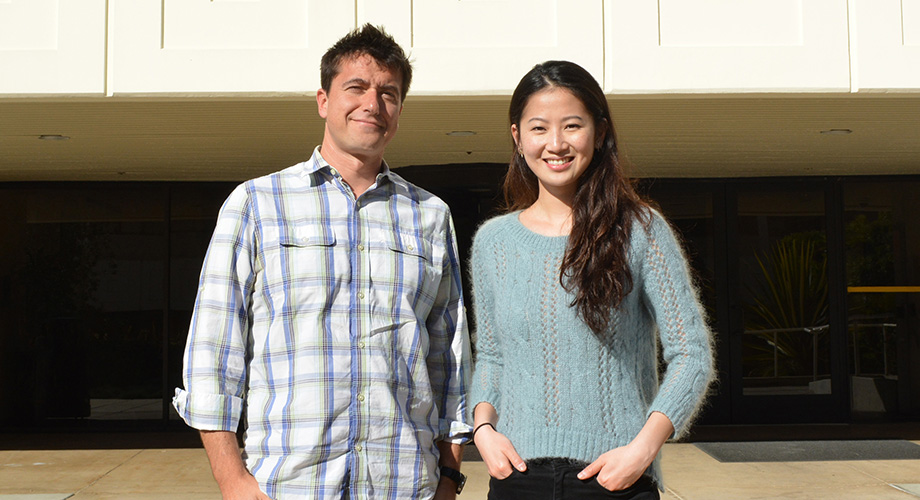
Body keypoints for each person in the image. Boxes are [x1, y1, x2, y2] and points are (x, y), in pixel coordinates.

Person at [173, 24, 472, 500]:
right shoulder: (256, 203)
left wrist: (449, 479)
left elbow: (450, 359)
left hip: (404, 485)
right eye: (356, 87)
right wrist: (233, 481)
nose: (372, 104)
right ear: (323, 100)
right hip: (287, 486)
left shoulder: (430, 216)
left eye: (389, 93)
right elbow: (213, 349)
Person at [469, 60, 714, 500]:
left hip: (615, 479)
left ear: (600, 134)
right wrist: (484, 428)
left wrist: (642, 451)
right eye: (539, 128)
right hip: (516, 478)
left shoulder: (640, 230)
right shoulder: (493, 243)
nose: (556, 144)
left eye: (573, 126)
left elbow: (691, 353)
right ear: (517, 137)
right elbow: (491, 355)